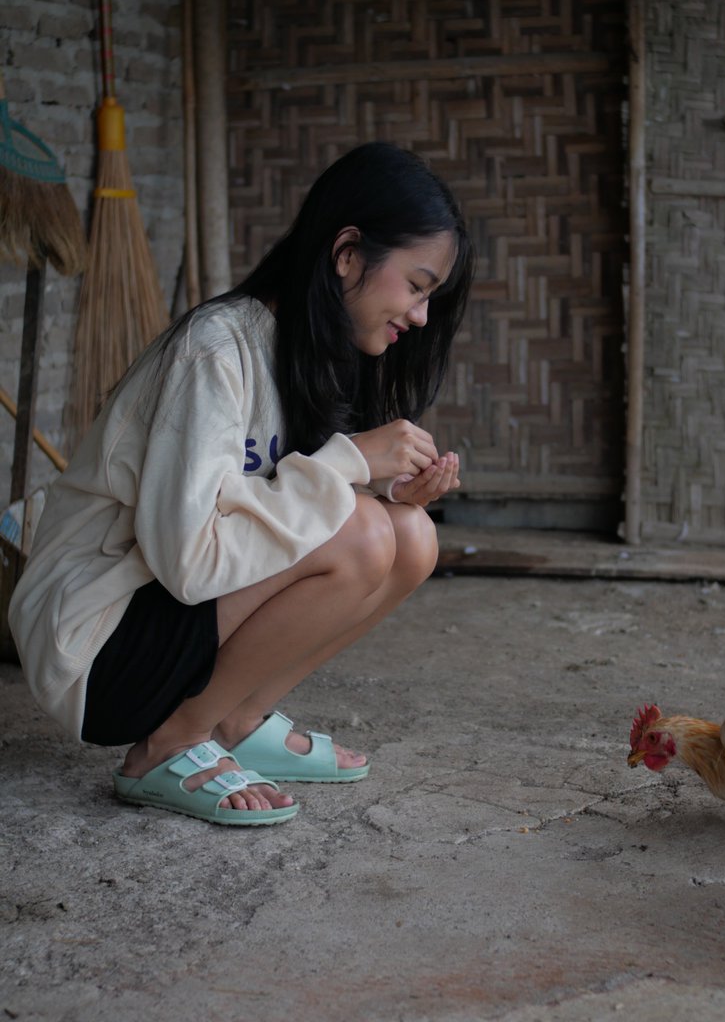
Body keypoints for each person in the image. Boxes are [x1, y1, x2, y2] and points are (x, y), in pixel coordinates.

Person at [9, 142, 475, 826]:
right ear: (348, 255)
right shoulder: (217, 349)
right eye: (416, 285)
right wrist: (348, 466)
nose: (421, 316)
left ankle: (237, 718)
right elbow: (189, 561)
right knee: (365, 535)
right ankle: (170, 742)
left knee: (409, 537)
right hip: (94, 643)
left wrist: (388, 492)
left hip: (163, 626)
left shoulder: (314, 355)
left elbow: (270, 504)